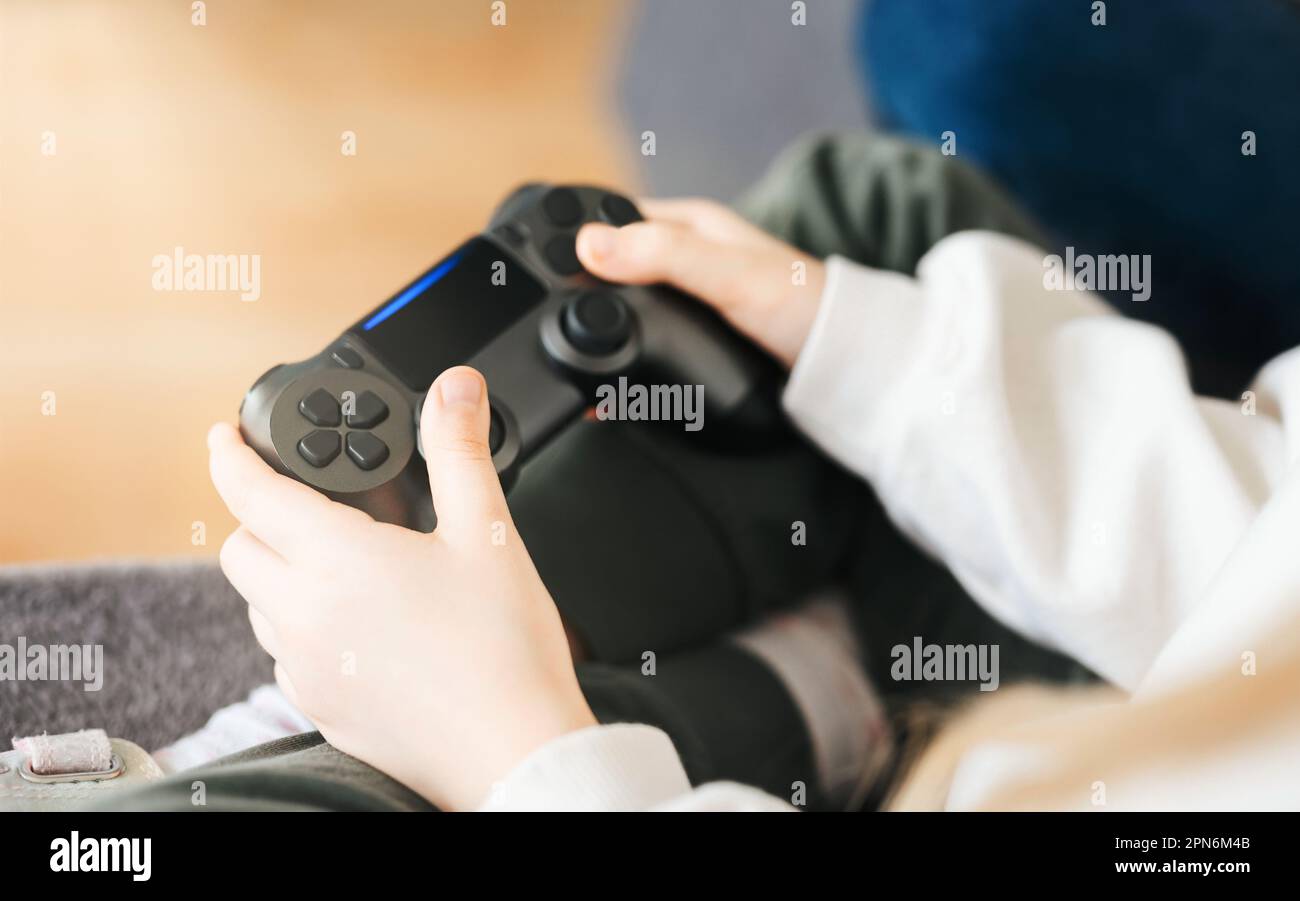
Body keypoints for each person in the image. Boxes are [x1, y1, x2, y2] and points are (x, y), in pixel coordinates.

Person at [62, 133, 1296, 812]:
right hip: (1149, 606)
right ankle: (821, 675)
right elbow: (1259, 529)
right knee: (865, 210)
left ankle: (815, 701)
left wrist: (514, 752)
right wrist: (852, 341)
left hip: (1061, 741)